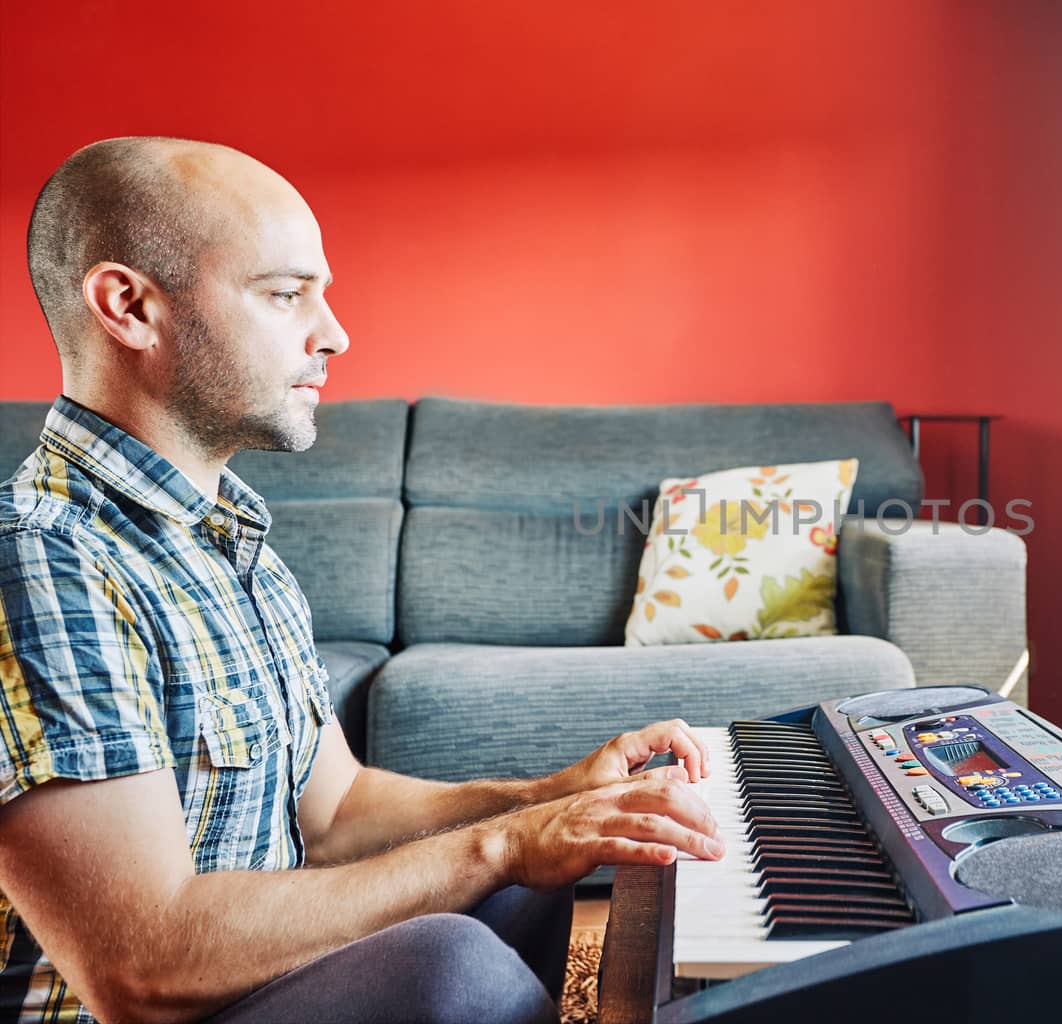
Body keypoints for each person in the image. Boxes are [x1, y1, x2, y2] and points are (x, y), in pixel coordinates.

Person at [0, 137, 724, 1024]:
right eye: (284, 294)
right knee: (455, 962)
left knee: (530, 886)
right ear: (129, 306)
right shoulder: (43, 558)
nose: (333, 333)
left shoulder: (233, 544)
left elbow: (336, 811)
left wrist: (554, 800)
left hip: (247, 977)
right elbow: (141, 962)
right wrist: (504, 842)